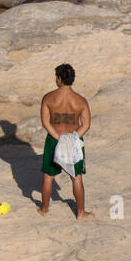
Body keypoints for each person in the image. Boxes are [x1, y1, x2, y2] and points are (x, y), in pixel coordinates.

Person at [40, 63, 93, 219]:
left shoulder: (49, 98)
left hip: (53, 139)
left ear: (59, 79)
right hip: (73, 142)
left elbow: (46, 122)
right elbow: (87, 125)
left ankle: (44, 210)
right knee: (76, 177)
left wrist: (59, 138)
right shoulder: (80, 101)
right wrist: (72, 138)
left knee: (48, 177)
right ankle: (81, 213)